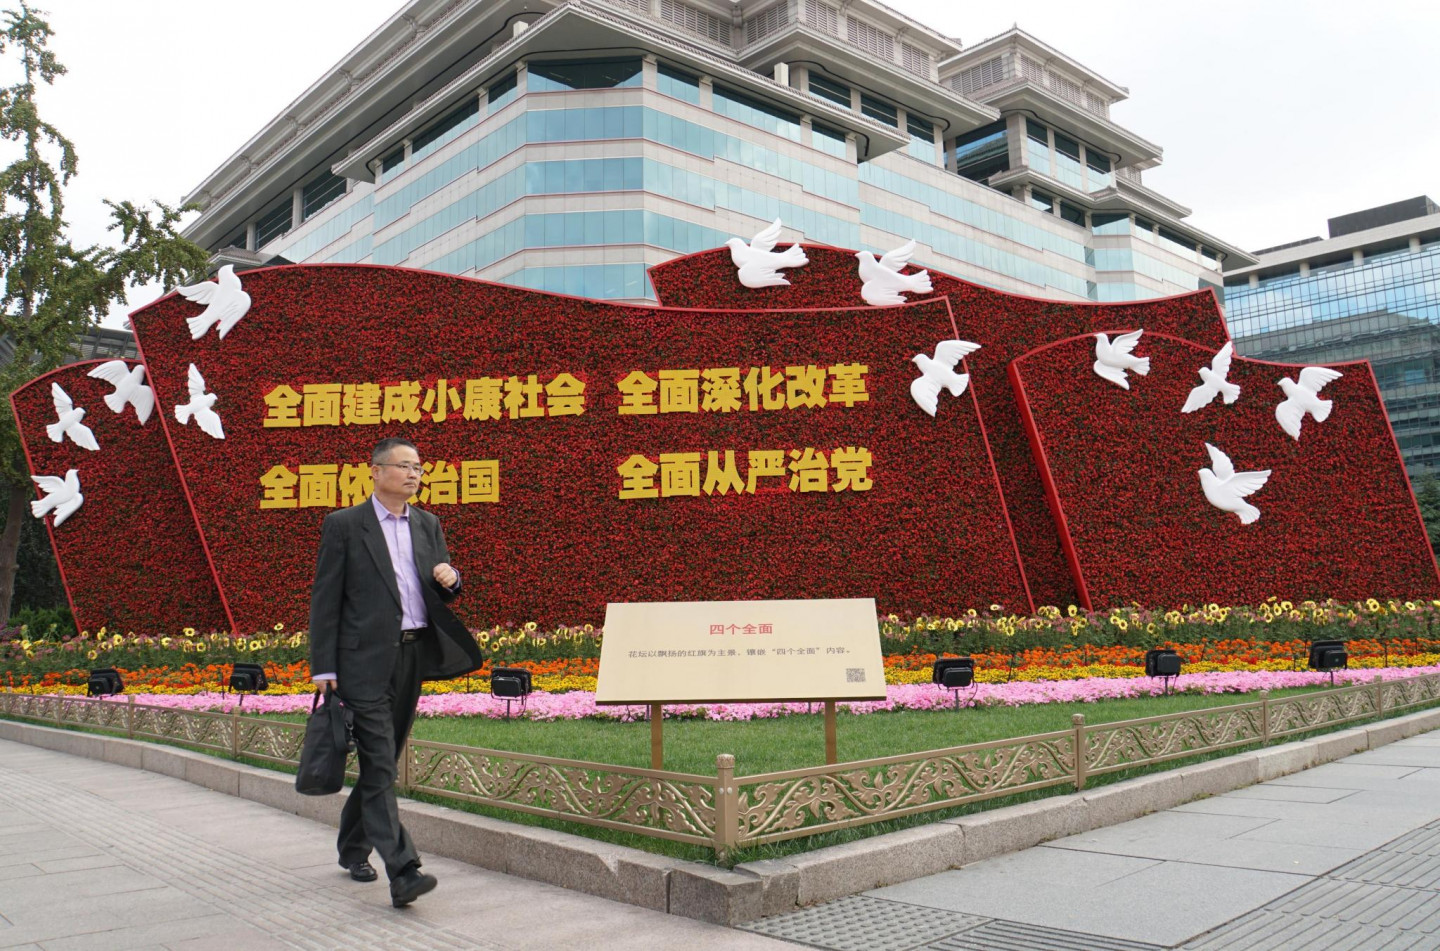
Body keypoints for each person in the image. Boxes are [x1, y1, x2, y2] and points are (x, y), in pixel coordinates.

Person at [308, 436, 484, 908]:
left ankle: (352, 848)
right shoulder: (345, 525)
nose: (413, 474)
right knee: (382, 764)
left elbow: (437, 587)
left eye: (418, 467)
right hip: (361, 664)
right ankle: (404, 871)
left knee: (380, 762)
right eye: (404, 466)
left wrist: (451, 579)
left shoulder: (427, 524)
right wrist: (324, 666)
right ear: (376, 471)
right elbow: (326, 599)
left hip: (412, 657)